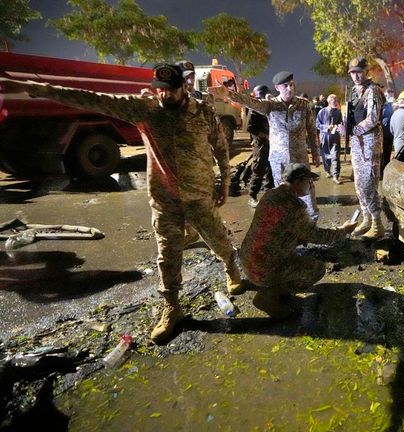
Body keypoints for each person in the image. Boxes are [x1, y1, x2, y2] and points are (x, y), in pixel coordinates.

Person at [0, 65, 244, 343]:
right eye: (159, 90)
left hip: (199, 194)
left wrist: (224, 181)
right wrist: (34, 88)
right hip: (165, 199)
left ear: (184, 88)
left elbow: (220, 147)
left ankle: (231, 267)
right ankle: (172, 306)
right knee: (167, 253)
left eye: (170, 90)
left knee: (217, 238)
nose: (164, 95)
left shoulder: (202, 112)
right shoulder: (144, 109)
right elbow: (91, 98)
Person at [240, 164, 357, 318]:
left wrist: (297, 237)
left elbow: (276, 229)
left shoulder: (271, 194)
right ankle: (270, 296)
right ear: (297, 182)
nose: (311, 186)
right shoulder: (294, 205)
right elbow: (318, 236)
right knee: (317, 269)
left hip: (247, 260)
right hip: (263, 269)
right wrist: (343, 230)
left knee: (291, 257)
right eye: (309, 181)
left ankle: (269, 285)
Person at [216, 71, 321, 221]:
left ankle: (311, 224)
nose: (290, 88)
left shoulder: (303, 105)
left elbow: (311, 130)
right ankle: (288, 226)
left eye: (292, 84)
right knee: (283, 194)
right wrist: (229, 94)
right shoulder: (271, 106)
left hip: (300, 158)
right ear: (277, 87)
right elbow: (250, 102)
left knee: (307, 192)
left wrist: (315, 153)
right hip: (279, 160)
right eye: (285, 86)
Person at [347, 57, 386, 239]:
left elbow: (372, 118)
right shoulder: (355, 91)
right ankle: (366, 219)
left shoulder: (373, 90)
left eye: (359, 72)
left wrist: (353, 130)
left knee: (369, 184)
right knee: (359, 185)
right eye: (353, 72)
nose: (356, 76)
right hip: (357, 144)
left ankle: (377, 225)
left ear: (366, 72)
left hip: (369, 143)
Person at [245, 84, 274, 207]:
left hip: (271, 142)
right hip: (260, 144)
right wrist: (264, 136)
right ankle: (252, 196)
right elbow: (250, 128)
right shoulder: (254, 110)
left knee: (271, 168)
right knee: (259, 169)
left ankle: (269, 193)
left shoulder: (269, 108)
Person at [316, 94, 344, 183]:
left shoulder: (338, 112)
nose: (335, 101)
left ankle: (336, 176)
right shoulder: (322, 112)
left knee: (335, 156)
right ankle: (327, 170)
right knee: (326, 157)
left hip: (335, 137)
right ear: (329, 101)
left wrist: (340, 128)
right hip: (325, 137)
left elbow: (340, 123)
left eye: (336, 100)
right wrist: (327, 127)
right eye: (333, 100)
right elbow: (317, 125)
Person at [380, 88, 396, 174]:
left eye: (390, 96)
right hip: (382, 132)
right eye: (386, 96)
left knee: (387, 153)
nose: (388, 98)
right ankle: (379, 171)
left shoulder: (395, 105)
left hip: (390, 134)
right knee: (380, 153)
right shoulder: (382, 105)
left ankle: (384, 171)